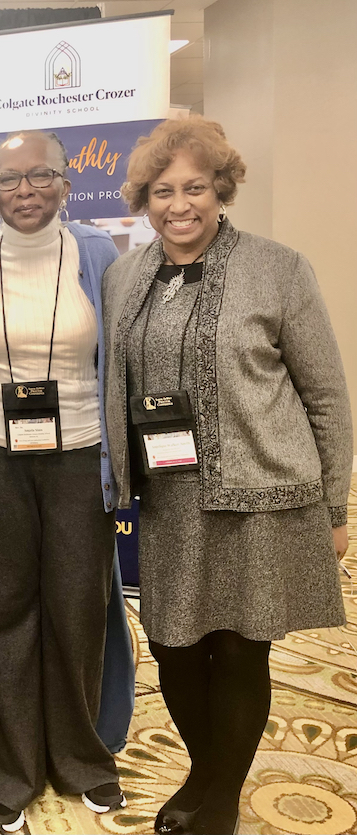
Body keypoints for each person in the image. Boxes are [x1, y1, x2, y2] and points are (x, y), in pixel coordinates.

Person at [102, 116, 351, 835]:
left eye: (195, 188)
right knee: (176, 646)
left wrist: (334, 507)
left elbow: (326, 395)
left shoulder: (279, 268)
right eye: (161, 190)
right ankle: (206, 771)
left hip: (263, 498)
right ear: (144, 198)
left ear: (222, 189)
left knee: (242, 648)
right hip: (171, 500)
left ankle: (216, 800)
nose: (179, 205)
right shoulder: (126, 276)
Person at [0, 130, 134, 833]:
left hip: (80, 453)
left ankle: (84, 758)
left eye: (40, 175)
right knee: (2, 613)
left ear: (66, 183)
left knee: (79, 609)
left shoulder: (100, 253)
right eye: (9, 179)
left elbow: (121, 357)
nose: (25, 190)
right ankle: (12, 771)